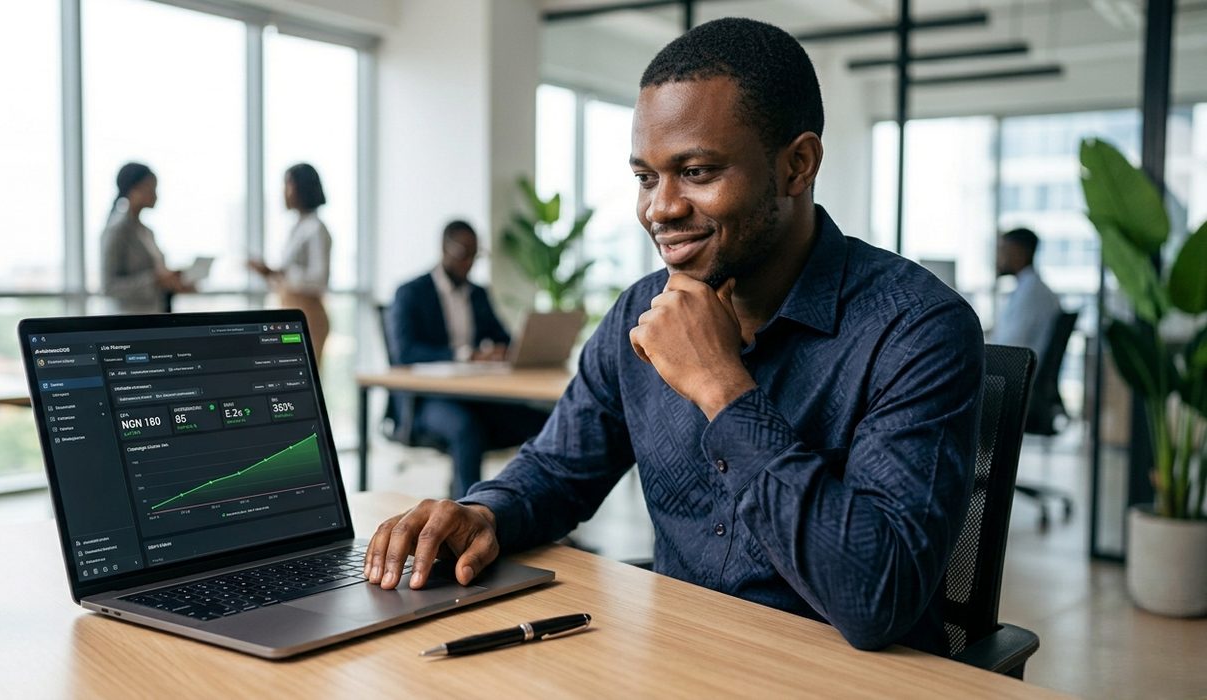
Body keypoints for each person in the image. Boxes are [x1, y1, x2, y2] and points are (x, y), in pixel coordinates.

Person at [362, 18, 985, 656]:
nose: (660, 208)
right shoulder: (639, 310)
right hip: (683, 657)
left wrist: (722, 387)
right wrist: (485, 514)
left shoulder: (916, 328)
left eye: (696, 171)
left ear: (798, 165)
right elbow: (558, 468)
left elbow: (877, 599)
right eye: (645, 177)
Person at [386, 220, 550, 499]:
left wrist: (503, 351)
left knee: (544, 422)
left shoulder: (478, 294)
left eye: (475, 254)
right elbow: (405, 353)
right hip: (426, 401)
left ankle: (543, 511)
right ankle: (468, 514)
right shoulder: (411, 292)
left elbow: (505, 339)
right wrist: (465, 355)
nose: (469, 262)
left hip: (475, 395)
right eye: (463, 252)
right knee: (467, 429)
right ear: (443, 248)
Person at [250, 163, 332, 361]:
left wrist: (278, 274)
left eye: (288, 185)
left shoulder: (316, 229)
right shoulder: (297, 227)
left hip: (309, 316)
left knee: (306, 383)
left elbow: (319, 279)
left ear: (301, 188)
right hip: (289, 314)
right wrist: (270, 274)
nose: (284, 192)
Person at [100, 162, 193, 313]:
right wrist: (155, 280)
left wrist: (173, 281)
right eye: (150, 188)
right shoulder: (116, 230)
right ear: (133, 190)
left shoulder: (147, 232)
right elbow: (108, 287)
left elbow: (156, 277)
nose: (156, 195)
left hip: (154, 316)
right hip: (129, 323)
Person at [991, 227, 1063, 360]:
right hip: (1024, 369)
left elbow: (1010, 345)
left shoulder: (1031, 293)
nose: (997, 258)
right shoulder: (1031, 287)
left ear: (1019, 253)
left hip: (1020, 373)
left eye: (1002, 250)